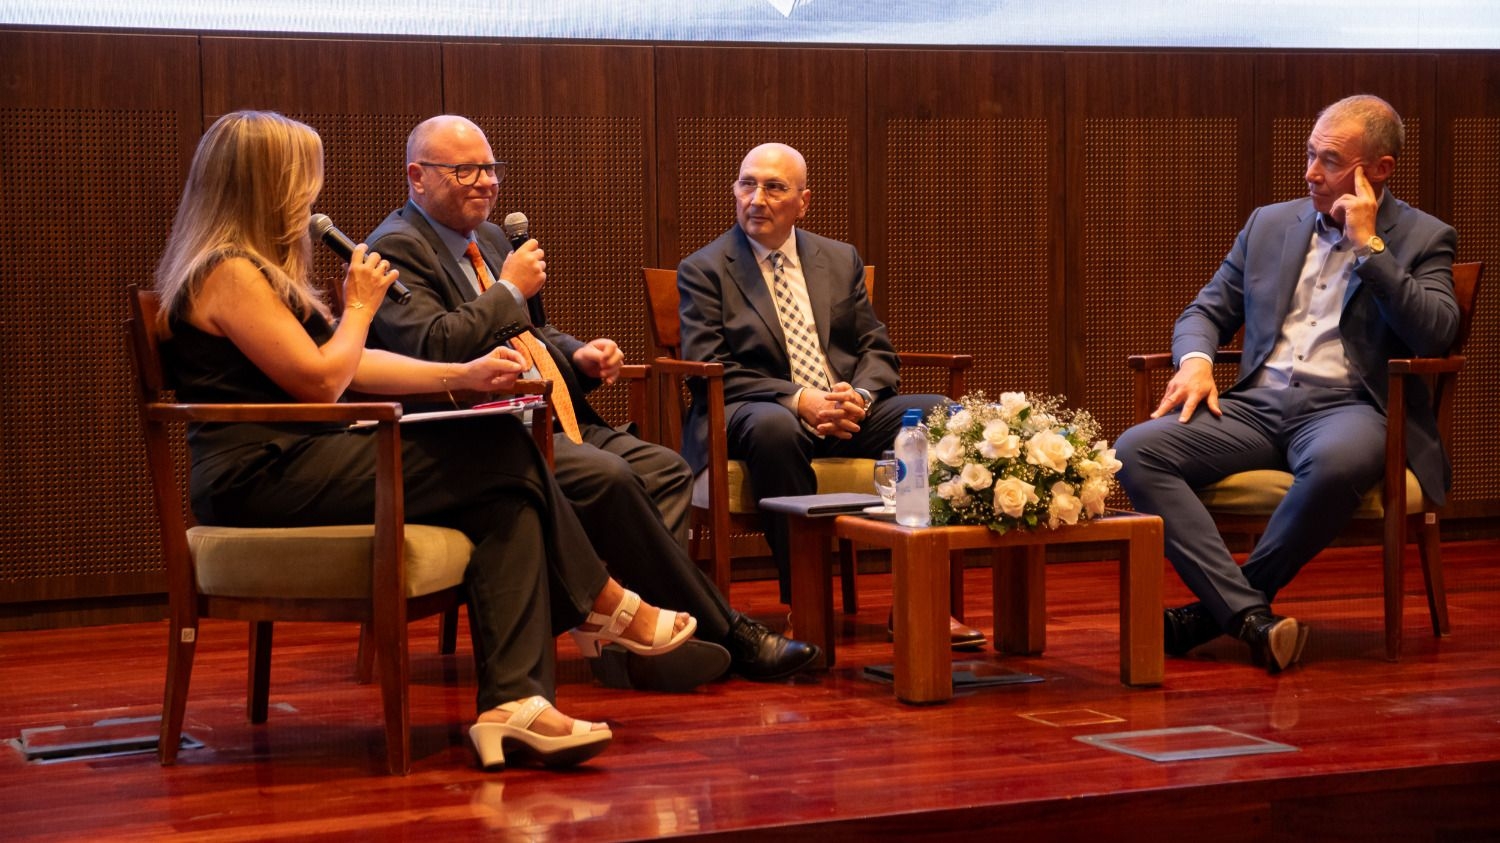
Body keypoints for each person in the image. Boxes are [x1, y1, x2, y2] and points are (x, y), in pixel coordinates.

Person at [153, 110, 702, 771]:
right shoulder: (226, 270)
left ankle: (515, 706)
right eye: (304, 180)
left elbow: (350, 364)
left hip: (304, 458)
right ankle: (603, 603)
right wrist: (359, 307)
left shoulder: (261, 268)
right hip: (261, 474)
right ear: (264, 183)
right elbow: (324, 382)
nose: (311, 197)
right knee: (499, 450)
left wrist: (459, 375)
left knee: (506, 498)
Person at [364, 115, 819, 683]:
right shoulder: (393, 249)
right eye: (466, 170)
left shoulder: (492, 240)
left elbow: (531, 336)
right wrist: (508, 289)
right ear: (417, 177)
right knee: (610, 476)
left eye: (491, 168)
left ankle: (639, 642)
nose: (486, 181)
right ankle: (723, 631)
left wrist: (579, 355)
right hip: (474, 436)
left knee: (666, 469)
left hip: (545, 416)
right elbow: (432, 346)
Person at [1114, 94, 1459, 674]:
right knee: (1136, 451)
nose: (1311, 173)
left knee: (1335, 463)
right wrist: (1196, 360)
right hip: (1256, 404)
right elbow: (1204, 311)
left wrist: (1369, 247)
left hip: (1351, 408)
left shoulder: (1424, 237)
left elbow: (1437, 334)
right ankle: (1249, 616)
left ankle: (1214, 612)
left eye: (1328, 160)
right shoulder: (1269, 224)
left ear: (1379, 170)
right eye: (1309, 155)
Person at [676, 142, 986, 650]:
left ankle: (921, 601)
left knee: (943, 416)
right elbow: (710, 368)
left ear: (803, 201)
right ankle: (807, 603)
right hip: (755, 414)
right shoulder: (705, 268)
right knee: (775, 428)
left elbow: (875, 348)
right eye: (747, 184)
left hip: (845, 410)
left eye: (774, 187)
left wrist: (858, 397)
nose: (757, 198)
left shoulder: (839, 259)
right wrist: (800, 400)